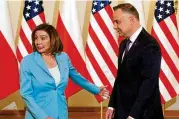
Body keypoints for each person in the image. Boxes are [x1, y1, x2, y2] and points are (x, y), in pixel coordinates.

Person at [20, 23, 109, 119]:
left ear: (53, 39)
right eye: (35, 38)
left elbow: (77, 77)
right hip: (37, 115)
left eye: (43, 38)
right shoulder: (28, 61)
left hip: (61, 113)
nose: (38, 42)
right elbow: (26, 94)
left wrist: (96, 89)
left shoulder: (63, 57)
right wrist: (42, 116)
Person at [106, 3, 164, 119]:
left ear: (131, 20)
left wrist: (133, 115)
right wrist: (112, 105)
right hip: (122, 111)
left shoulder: (150, 45)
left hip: (142, 114)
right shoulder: (123, 44)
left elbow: (149, 83)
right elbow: (120, 77)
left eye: (118, 21)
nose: (114, 26)